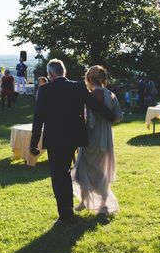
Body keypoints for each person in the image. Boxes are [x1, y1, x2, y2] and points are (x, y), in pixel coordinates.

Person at [30, 59, 116, 225]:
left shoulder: (45, 90)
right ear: (64, 72)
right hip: (74, 138)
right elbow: (94, 104)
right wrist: (110, 116)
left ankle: (65, 215)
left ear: (50, 74)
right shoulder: (77, 86)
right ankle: (68, 212)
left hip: (54, 139)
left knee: (58, 175)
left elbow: (38, 118)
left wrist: (34, 143)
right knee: (66, 172)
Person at [72, 66, 123, 215]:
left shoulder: (91, 95)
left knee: (83, 168)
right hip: (106, 135)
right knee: (100, 170)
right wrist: (106, 124)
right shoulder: (111, 95)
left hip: (92, 135)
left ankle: (84, 201)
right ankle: (102, 203)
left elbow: (90, 120)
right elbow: (118, 116)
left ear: (89, 79)